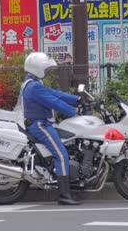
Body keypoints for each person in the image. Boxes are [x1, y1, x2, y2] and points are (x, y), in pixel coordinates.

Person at [21, 52, 82, 206]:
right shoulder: (34, 86)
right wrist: (75, 111)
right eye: (46, 69)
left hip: (41, 123)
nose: (47, 72)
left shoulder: (32, 82)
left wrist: (77, 99)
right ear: (38, 68)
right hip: (39, 125)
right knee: (61, 155)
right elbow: (53, 101)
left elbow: (54, 94)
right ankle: (64, 195)